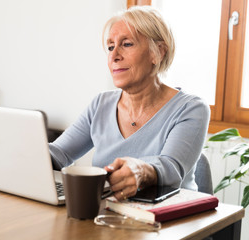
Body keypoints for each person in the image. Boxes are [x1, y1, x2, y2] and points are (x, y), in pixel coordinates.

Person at [49, 6, 210, 201]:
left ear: (157, 52)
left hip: (170, 223)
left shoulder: (191, 108)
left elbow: (172, 167)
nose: (114, 55)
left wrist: (142, 170)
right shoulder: (101, 104)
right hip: (109, 215)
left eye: (126, 44)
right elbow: (59, 153)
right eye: (110, 47)